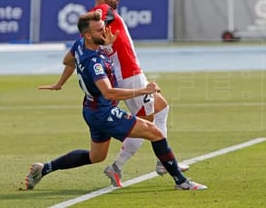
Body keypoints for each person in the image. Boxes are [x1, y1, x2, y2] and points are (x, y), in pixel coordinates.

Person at [25, 11, 207, 191]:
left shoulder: (80, 44)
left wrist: (60, 83)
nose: (104, 33)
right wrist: (144, 90)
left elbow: (68, 60)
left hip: (91, 109)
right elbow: (109, 93)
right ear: (87, 35)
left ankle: (44, 169)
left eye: (104, 28)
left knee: (96, 156)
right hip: (104, 112)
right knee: (155, 132)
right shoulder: (94, 62)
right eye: (99, 31)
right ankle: (181, 181)